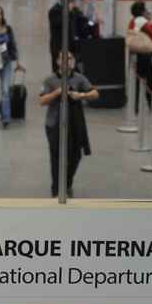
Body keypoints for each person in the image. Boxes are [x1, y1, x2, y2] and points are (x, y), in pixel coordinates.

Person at [40, 51, 99, 198]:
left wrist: (81, 95)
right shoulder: (50, 80)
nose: (68, 61)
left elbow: (95, 93)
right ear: (58, 61)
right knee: (56, 156)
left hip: (75, 123)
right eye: (64, 59)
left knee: (75, 155)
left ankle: (67, 183)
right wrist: (57, 92)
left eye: (70, 58)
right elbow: (42, 101)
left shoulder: (79, 79)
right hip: (54, 123)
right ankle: (56, 189)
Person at [128, 2, 152, 112]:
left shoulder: (132, 21)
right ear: (142, 11)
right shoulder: (142, 22)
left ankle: (135, 107)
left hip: (135, 55)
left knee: (136, 82)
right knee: (150, 81)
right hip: (144, 56)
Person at [48, 0, 89, 73]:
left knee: (72, 69)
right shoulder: (54, 10)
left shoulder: (73, 10)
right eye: (71, 3)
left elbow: (82, 19)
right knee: (59, 69)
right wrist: (68, 12)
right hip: (58, 47)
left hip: (71, 45)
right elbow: (58, 23)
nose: (73, 5)